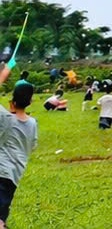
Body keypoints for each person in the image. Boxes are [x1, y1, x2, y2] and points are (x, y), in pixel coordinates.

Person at [0, 66, 38, 229]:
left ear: (12, 102)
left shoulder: (6, 118)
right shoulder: (32, 123)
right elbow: (33, 146)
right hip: (13, 176)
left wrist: (3, 74)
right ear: (30, 101)